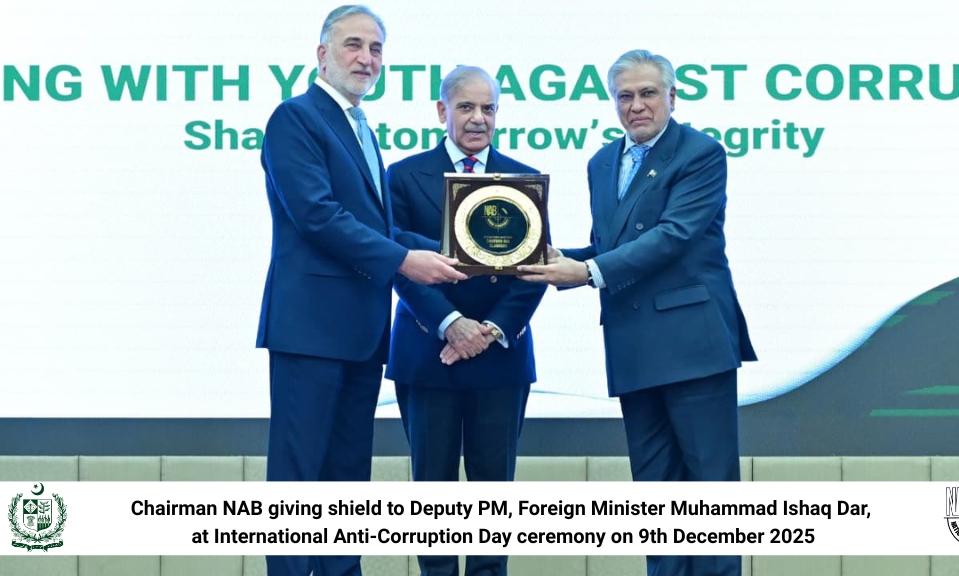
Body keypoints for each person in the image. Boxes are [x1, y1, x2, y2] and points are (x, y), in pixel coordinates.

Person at [519, 49, 756, 576]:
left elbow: (673, 236)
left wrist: (586, 272)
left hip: (692, 345)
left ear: (672, 96)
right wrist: (552, 257)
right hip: (633, 344)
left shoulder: (701, 153)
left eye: (648, 93)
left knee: (712, 493)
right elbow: (613, 244)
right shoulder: (601, 162)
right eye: (625, 96)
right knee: (656, 494)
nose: (637, 105)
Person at [255, 6, 466, 576]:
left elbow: (375, 226)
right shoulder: (296, 117)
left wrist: (464, 249)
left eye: (376, 49)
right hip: (310, 329)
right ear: (322, 54)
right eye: (353, 45)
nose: (366, 58)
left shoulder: (361, 127)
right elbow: (317, 215)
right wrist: (405, 261)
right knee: (298, 481)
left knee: (346, 480)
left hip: (360, 331)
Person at [386, 66, 546, 576]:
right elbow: (396, 259)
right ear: (442, 111)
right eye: (466, 107)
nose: (479, 119)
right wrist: (451, 322)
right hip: (429, 351)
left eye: (488, 108)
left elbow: (537, 269)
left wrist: (489, 330)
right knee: (431, 493)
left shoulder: (523, 178)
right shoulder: (403, 175)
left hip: (500, 355)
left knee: (494, 494)